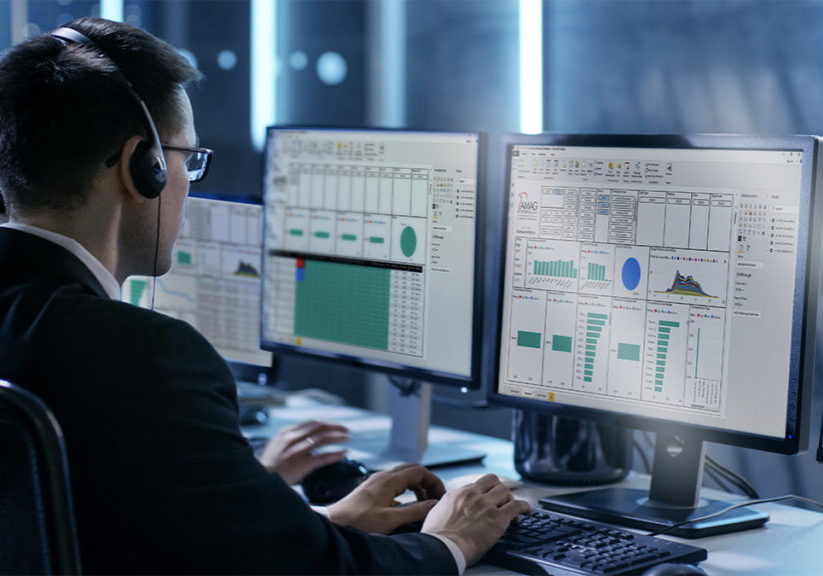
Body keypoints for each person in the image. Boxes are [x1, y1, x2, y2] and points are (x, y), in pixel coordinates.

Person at [0, 17, 530, 575]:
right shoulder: (142, 357)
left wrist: (317, 521)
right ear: (144, 168)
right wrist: (451, 539)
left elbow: (119, 533)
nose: (186, 180)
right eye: (187, 160)